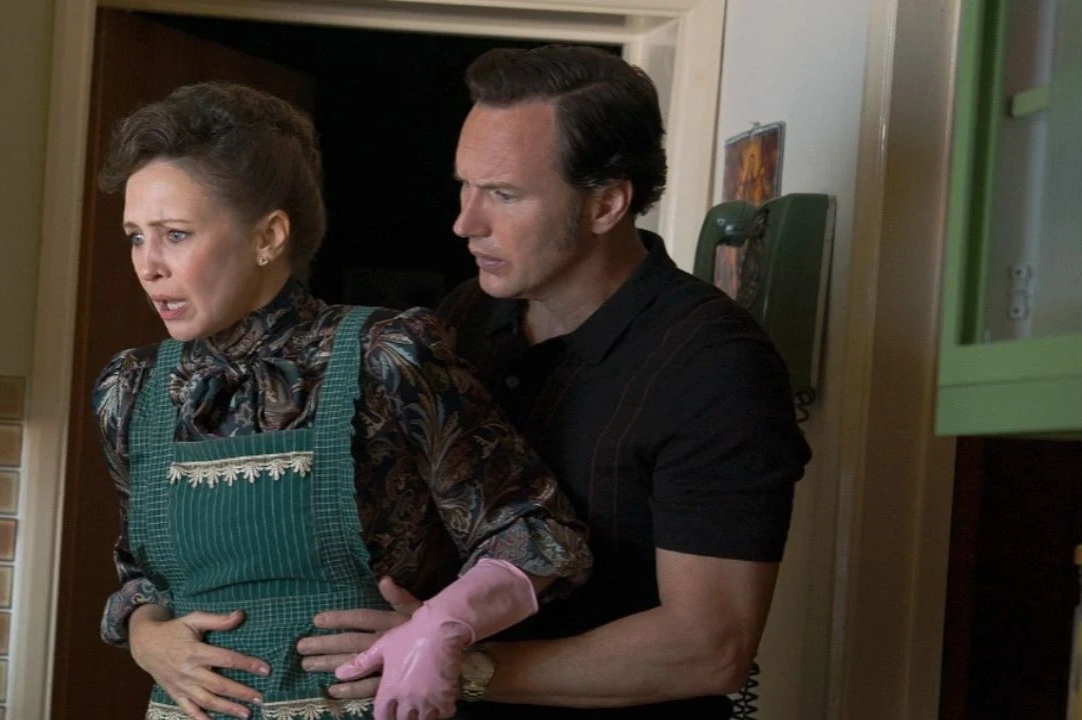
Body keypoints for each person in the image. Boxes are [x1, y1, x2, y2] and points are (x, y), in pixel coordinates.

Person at [297, 45, 812, 720]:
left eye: (504, 194)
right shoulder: (465, 316)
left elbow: (709, 648)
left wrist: (458, 665)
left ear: (606, 204)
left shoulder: (716, 366)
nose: (465, 222)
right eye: (465, 186)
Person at [91, 81, 593, 720]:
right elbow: (141, 572)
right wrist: (145, 636)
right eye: (136, 236)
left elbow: (536, 532)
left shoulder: (384, 357)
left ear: (269, 236)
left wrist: (439, 627)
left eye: (176, 235)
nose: (148, 265)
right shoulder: (130, 388)